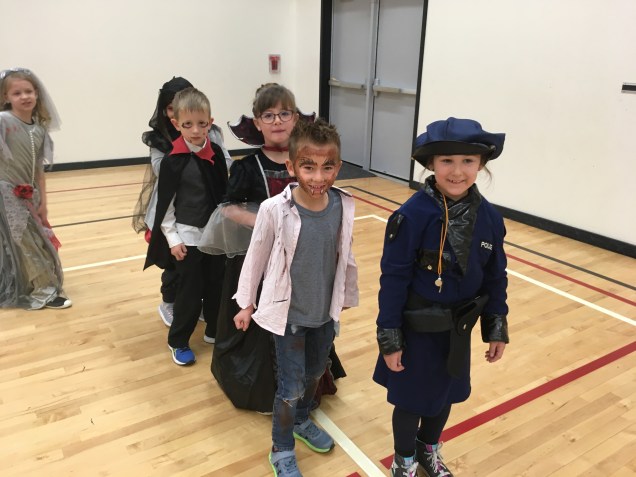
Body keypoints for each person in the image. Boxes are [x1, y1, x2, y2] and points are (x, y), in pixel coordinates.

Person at [373, 117, 509, 477]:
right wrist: (390, 336)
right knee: (411, 399)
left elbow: (496, 277)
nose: (457, 171)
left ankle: (427, 449)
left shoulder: (490, 219)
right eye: (447, 160)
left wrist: (496, 326)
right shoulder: (411, 216)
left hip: (458, 328)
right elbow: (393, 279)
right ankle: (404, 459)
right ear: (431, 164)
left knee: (445, 394)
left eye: (468, 161)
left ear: (481, 165)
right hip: (416, 328)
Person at [199, 83, 345, 413]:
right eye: (268, 115)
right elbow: (228, 208)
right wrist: (269, 223)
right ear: (257, 122)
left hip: (303, 261)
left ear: (296, 118)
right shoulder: (247, 166)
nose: (277, 121)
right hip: (263, 258)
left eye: (284, 113)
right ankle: (272, 392)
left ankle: (308, 381)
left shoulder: (308, 161)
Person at [232, 118, 358, 477]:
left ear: (338, 167)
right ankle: (281, 447)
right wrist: (246, 303)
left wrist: (346, 293)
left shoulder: (342, 205)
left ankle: (302, 419)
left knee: (315, 372)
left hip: (324, 313)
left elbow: (344, 253)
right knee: (289, 387)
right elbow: (256, 256)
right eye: (308, 167)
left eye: (327, 167)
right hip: (288, 317)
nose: (318, 177)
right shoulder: (274, 209)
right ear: (291, 166)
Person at [133, 76, 230, 329]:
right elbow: (160, 171)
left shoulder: (211, 134)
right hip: (174, 207)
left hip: (206, 204)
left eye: (201, 123)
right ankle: (170, 302)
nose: (195, 129)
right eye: (170, 107)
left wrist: (205, 155)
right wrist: (182, 155)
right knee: (175, 263)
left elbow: (225, 161)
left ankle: (201, 305)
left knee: (207, 268)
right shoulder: (160, 140)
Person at [0, 67, 71, 310]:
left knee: (36, 241)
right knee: (26, 242)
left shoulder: (39, 128)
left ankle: (34, 284)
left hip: (30, 194)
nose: (24, 97)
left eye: (28, 91)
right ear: (6, 97)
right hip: (7, 193)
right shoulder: (3, 121)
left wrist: (44, 203)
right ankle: (43, 292)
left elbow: (39, 169)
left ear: (37, 93)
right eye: (17, 93)